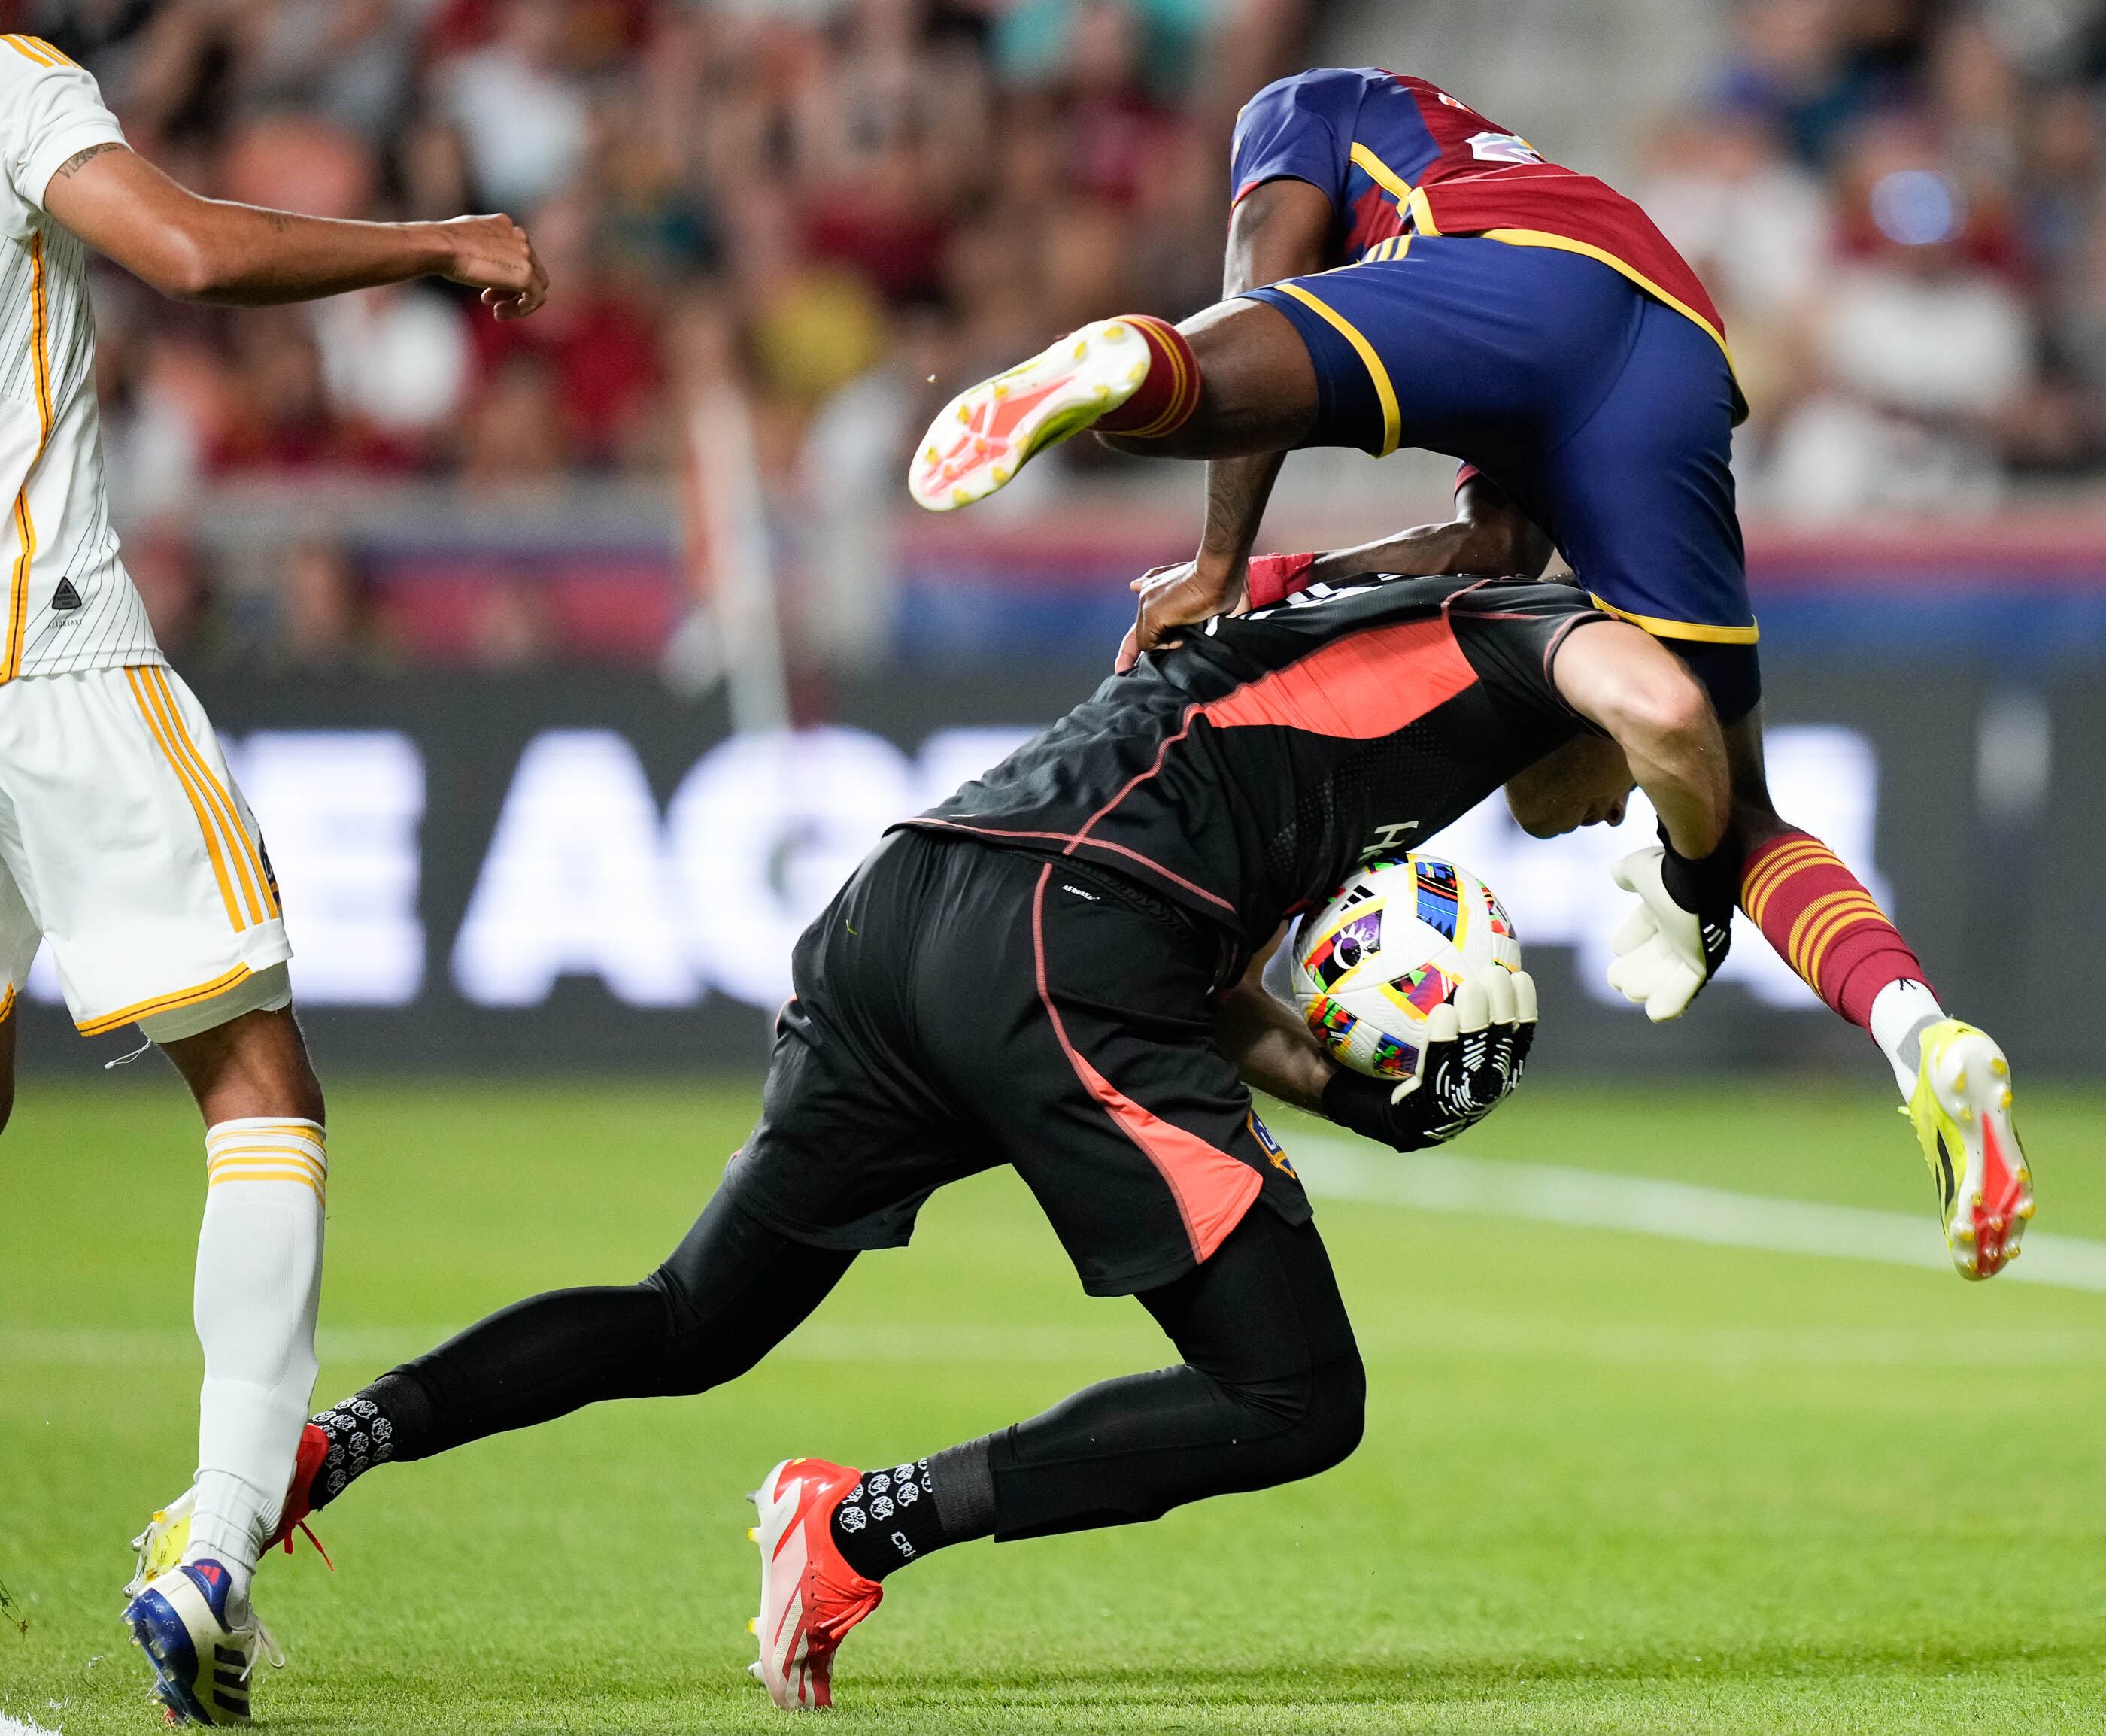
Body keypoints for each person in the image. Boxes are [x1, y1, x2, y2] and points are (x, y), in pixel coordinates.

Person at [264, 570, 1729, 1712]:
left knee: (691, 1316)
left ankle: (323, 1446)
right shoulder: (1523, 624)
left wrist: (1371, 1102)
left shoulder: (1361, 713)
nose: (1609, 806)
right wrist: (1690, 865)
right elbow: (1664, 715)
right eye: (1612, 783)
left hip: (911, 910)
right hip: (1061, 937)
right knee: (1293, 1392)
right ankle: (856, 1525)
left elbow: (1217, 998)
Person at [906, 66, 2030, 1280]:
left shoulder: (1378, 165)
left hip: (1516, 287)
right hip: (1674, 339)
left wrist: (1232, 558)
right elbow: (1478, 537)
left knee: (1198, 389)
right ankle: (1921, 1036)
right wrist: (1244, 565)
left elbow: (1284, 335)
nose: (1599, 811)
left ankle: (1139, 370)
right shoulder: (1310, 102)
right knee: (1746, 814)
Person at [0, 34, 546, 1726]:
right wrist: (433, 244)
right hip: (48, 662)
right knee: (258, 1087)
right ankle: (221, 1539)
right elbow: (187, 249)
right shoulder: (7, 78)